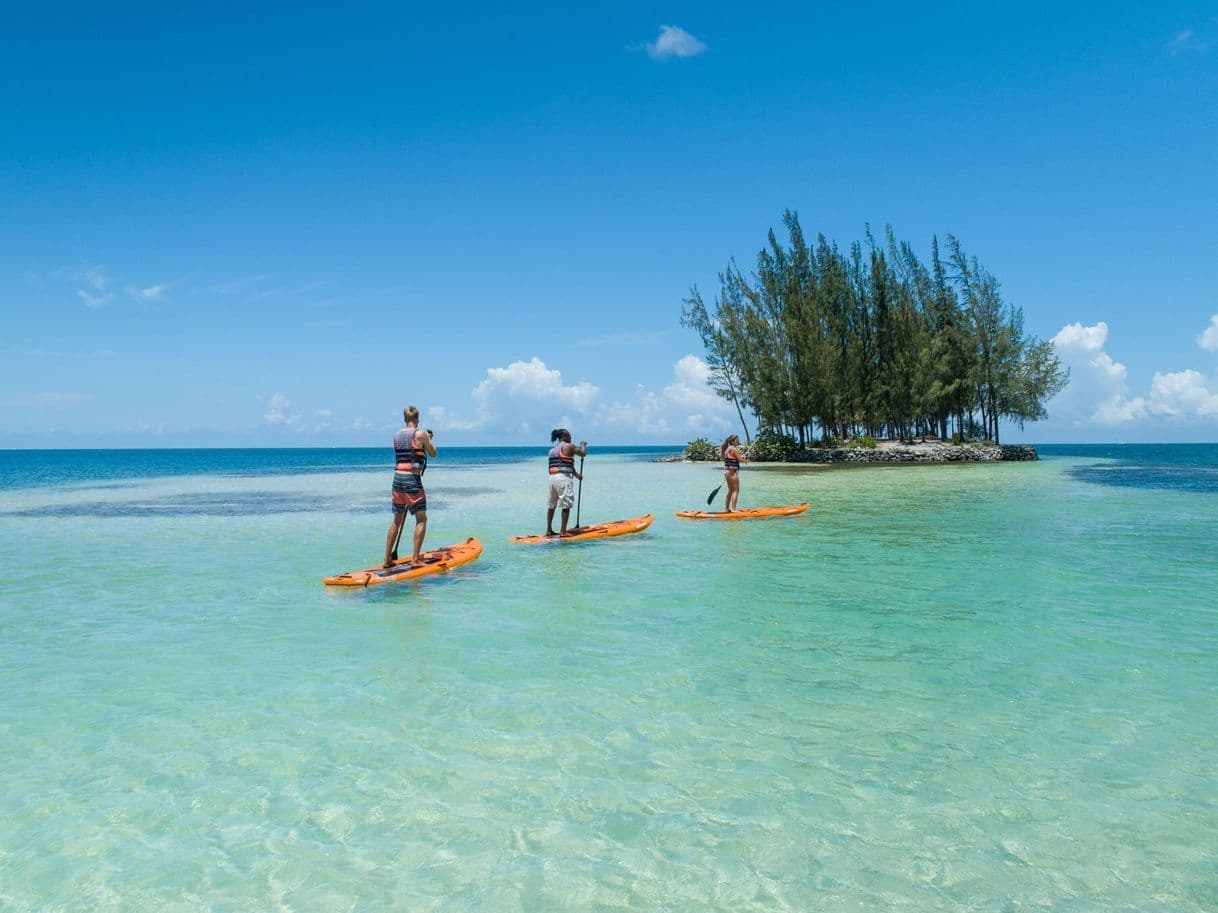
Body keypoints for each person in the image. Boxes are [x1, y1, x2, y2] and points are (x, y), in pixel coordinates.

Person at [385, 406, 437, 567]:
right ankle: (415, 560)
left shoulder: (396, 436)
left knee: (397, 520)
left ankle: (387, 559)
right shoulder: (420, 434)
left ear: (405, 418)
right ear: (417, 418)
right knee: (421, 519)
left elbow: (407, 450)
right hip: (412, 480)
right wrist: (429, 439)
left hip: (397, 479)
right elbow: (433, 453)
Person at [546, 428, 587, 536]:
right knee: (566, 504)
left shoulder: (552, 450)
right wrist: (583, 445)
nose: (570, 437)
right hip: (563, 478)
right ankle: (563, 531)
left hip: (552, 478)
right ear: (563, 436)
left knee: (552, 504)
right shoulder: (569, 446)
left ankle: (549, 530)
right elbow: (583, 453)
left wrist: (577, 475)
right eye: (568, 435)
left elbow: (563, 464)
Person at [721, 433, 744, 512]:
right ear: (733, 441)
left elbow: (733, 458)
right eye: (737, 441)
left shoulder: (726, 450)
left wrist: (740, 458)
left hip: (727, 472)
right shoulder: (734, 449)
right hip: (732, 472)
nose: (738, 442)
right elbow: (740, 460)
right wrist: (745, 459)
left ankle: (726, 509)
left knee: (730, 491)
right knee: (736, 490)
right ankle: (733, 509)